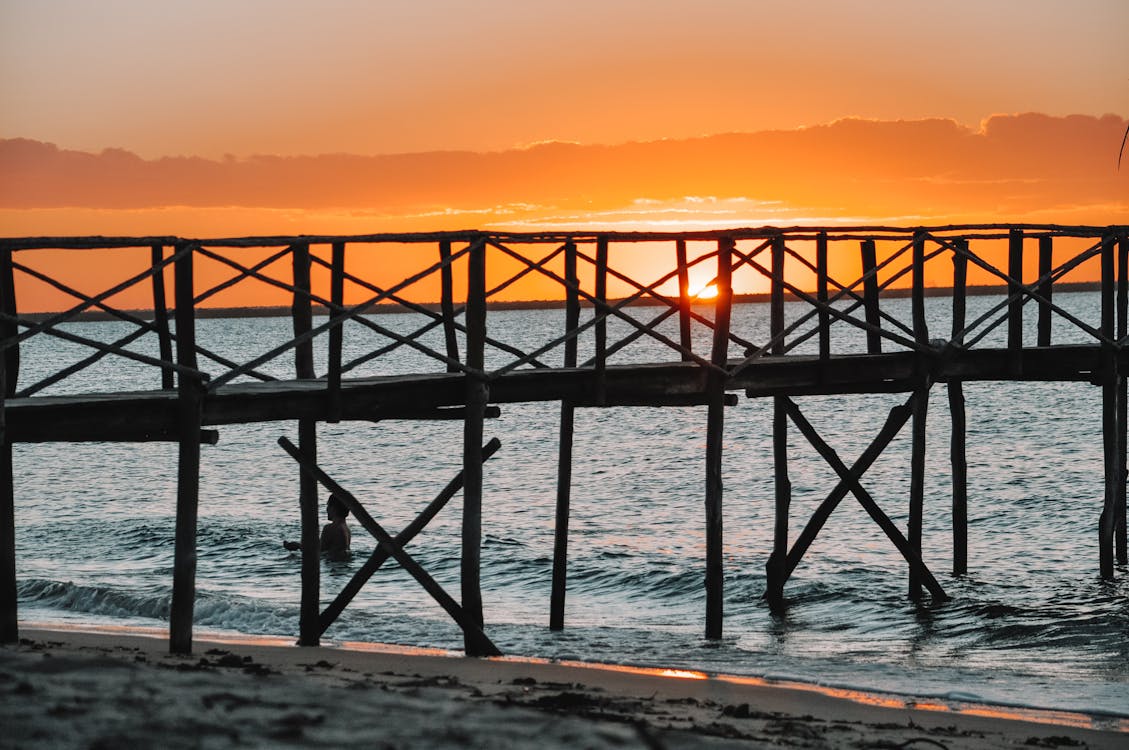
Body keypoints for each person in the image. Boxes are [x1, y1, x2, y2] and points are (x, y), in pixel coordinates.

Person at [282, 494, 352, 560]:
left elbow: (316, 553)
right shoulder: (346, 529)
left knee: (291, 558)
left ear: (333, 508)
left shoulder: (330, 528)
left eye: (328, 506)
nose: (327, 509)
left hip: (333, 563)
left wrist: (297, 546)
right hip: (340, 563)